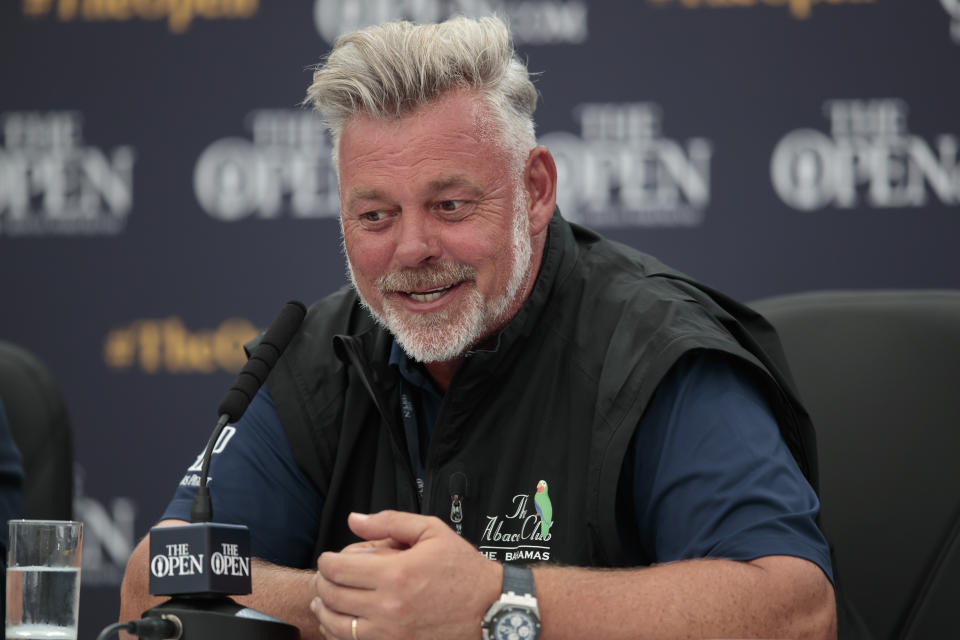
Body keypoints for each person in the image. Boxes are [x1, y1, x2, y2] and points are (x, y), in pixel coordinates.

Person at [120, 16, 837, 640]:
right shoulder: (319, 357)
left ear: (534, 191)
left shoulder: (655, 353)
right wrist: (347, 604)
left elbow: (794, 614)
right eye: (376, 216)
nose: (410, 250)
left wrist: (502, 605)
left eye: (451, 206)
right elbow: (152, 582)